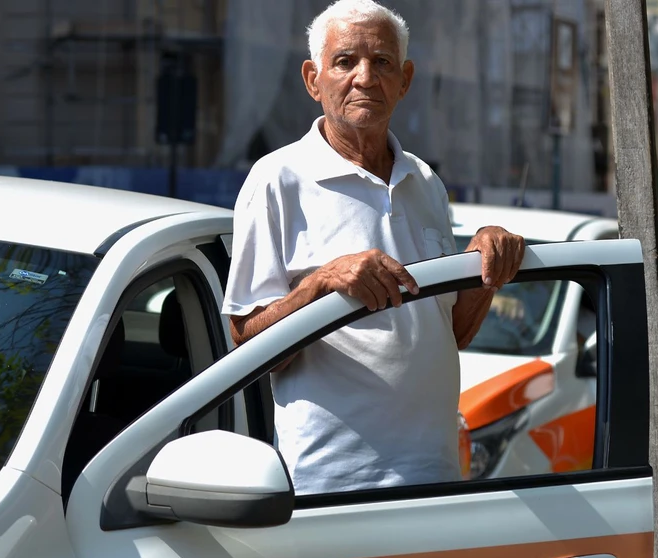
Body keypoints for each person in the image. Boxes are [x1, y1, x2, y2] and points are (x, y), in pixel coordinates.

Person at [222, 0, 525, 495]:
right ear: (312, 79)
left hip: (435, 474)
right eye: (345, 61)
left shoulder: (425, 182)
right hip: (332, 484)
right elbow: (247, 344)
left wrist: (484, 264)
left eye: (382, 62)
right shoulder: (278, 180)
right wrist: (321, 285)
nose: (365, 77)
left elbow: (448, 333)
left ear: (404, 80)